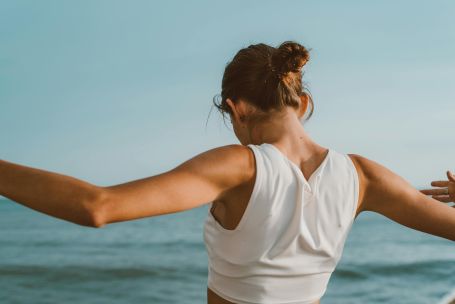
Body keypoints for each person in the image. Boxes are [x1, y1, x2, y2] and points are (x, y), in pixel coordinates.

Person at [0, 41, 454, 304]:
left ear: (236, 110)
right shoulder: (363, 177)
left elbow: (97, 207)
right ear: (304, 102)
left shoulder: (239, 166)